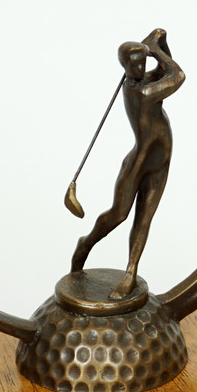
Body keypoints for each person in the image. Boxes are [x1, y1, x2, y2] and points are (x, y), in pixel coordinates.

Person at [71, 28, 185, 299]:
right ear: (125, 68)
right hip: (139, 162)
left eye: (143, 63)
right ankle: (86, 243)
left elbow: (164, 71)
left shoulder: (143, 81)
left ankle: (130, 272)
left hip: (160, 161)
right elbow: (177, 76)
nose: (141, 68)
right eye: (135, 65)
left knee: (144, 219)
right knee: (119, 215)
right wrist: (155, 50)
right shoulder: (140, 92)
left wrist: (160, 42)